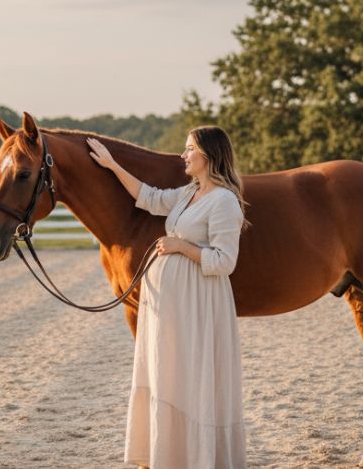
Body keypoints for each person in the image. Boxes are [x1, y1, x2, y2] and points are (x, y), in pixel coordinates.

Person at [87, 126, 248, 469]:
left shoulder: (224, 202)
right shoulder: (190, 193)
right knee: (169, 371)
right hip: (175, 304)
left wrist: (180, 246)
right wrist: (112, 165)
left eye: (190, 149)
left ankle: (200, 458)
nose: (183, 155)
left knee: (191, 374)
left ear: (208, 156)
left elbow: (225, 261)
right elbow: (147, 197)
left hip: (199, 303)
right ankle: (171, 454)